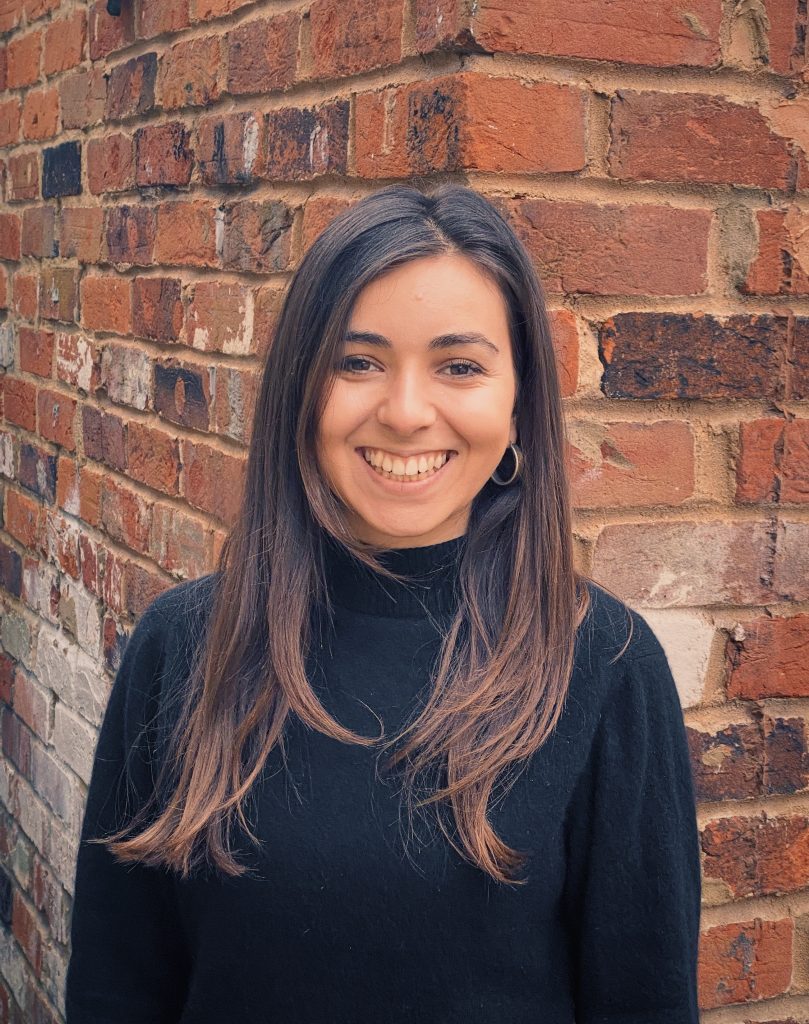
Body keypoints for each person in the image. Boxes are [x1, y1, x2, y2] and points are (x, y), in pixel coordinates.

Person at [65, 182, 701, 1023]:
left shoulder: (602, 664)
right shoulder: (184, 645)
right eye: (357, 362)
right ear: (301, 388)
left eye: (459, 366)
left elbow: (644, 1002)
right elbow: (116, 988)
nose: (404, 413)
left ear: (518, 406)